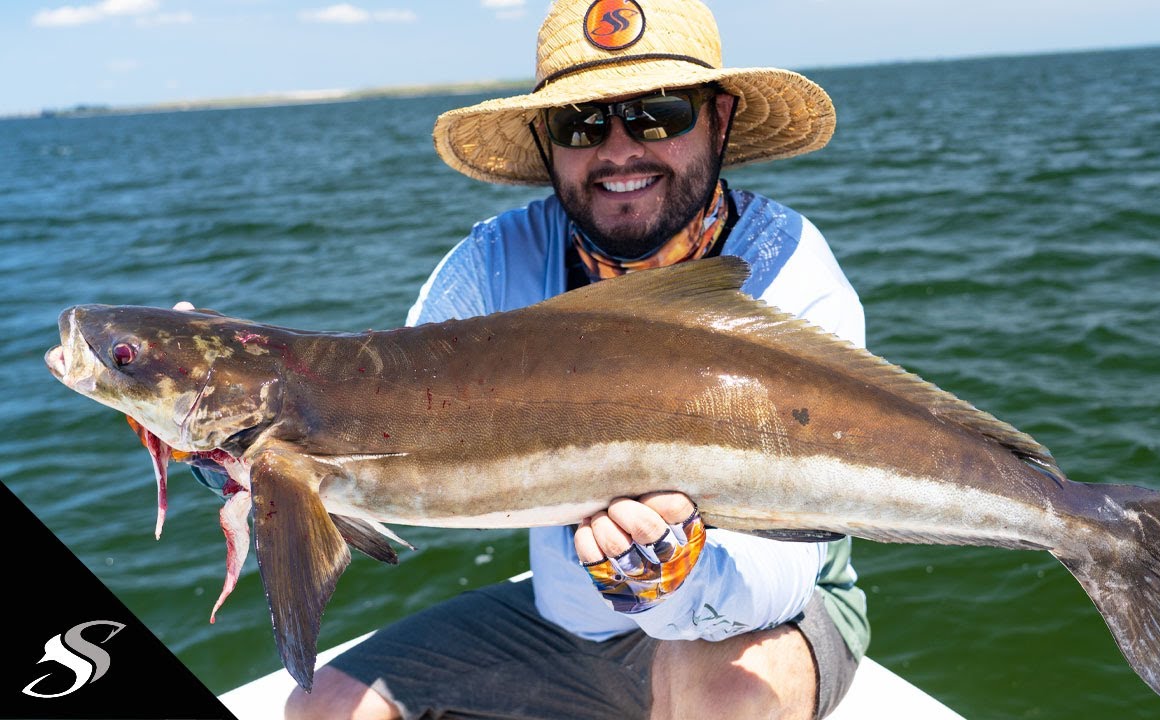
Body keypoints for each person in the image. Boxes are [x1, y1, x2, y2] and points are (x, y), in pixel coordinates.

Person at [285, 1, 869, 718]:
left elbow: (791, 561)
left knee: (714, 695)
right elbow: (389, 418)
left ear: (718, 119)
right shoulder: (493, 264)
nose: (619, 150)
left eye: (658, 113)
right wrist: (246, 448)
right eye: (581, 124)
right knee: (323, 706)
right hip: (571, 621)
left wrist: (676, 581)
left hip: (764, 611)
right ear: (546, 140)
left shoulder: (790, 269)